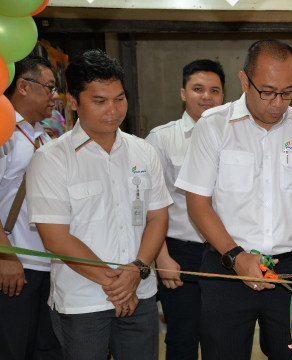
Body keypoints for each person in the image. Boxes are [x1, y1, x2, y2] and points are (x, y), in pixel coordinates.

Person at [175, 40, 292, 360]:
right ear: (244, 81)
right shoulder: (213, 126)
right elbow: (198, 203)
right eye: (268, 91)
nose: (278, 103)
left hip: (289, 270)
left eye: (288, 91)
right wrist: (237, 257)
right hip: (227, 268)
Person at [26, 49, 173, 360]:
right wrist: (118, 284)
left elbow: (157, 217)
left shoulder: (144, 152)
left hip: (141, 295)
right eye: (100, 101)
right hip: (83, 303)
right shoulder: (51, 159)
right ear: (74, 102)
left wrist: (137, 272)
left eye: (119, 99)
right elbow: (55, 237)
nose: (113, 110)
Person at [146, 59, 225, 360]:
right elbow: (150, 204)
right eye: (198, 89)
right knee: (183, 336)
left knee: (223, 335)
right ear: (183, 93)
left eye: (214, 90)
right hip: (181, 252)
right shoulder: (161, 139)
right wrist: (161, 256)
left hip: (225, 253)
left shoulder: (234, 135)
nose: (206, 97)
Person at [0, 55, 61, 360]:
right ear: (23, 85)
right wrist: (6, 256)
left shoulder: (44, 137)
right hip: (16, 266)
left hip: (48, 266)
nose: (55, 96)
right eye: (49, 87)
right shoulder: (5, 134)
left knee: (47, 350)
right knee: (13, 348)